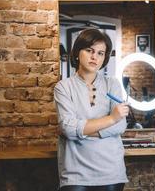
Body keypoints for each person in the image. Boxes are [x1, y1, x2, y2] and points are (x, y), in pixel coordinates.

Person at [54, 28, 130, 191]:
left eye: (101, 53)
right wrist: (111, 118)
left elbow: (120, 126)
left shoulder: (112, 84)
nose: (95, 57)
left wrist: (81, 130)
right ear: (77, 52)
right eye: (89, 50)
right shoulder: (63, 87)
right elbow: (68, 128)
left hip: (111, 171)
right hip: (76, 173)